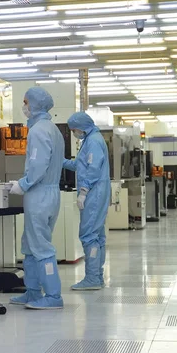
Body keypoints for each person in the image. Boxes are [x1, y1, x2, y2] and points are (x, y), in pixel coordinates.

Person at [8, 87, 65, 310]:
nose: (24, 106)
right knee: (31, 244)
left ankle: (53, 296)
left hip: (39, 193)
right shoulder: (52, 129)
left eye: (25, 102)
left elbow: (38, 164)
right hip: (48, 193)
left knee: (40, 246)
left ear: (33, 104)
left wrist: (22, 184)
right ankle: (32, 292)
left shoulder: (38, 130)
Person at [62, 112, 110, 290]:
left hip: (93, 193)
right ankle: (96, 276)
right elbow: (80, 165)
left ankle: (92, 278)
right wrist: (61, 162)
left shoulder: (93, 141)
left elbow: (93, 169)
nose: (74, 133)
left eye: (74, 130)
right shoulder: (90, 140)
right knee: (97, 236)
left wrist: (83, 191)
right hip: (96, 191)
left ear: (81, 127)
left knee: (89, 234)